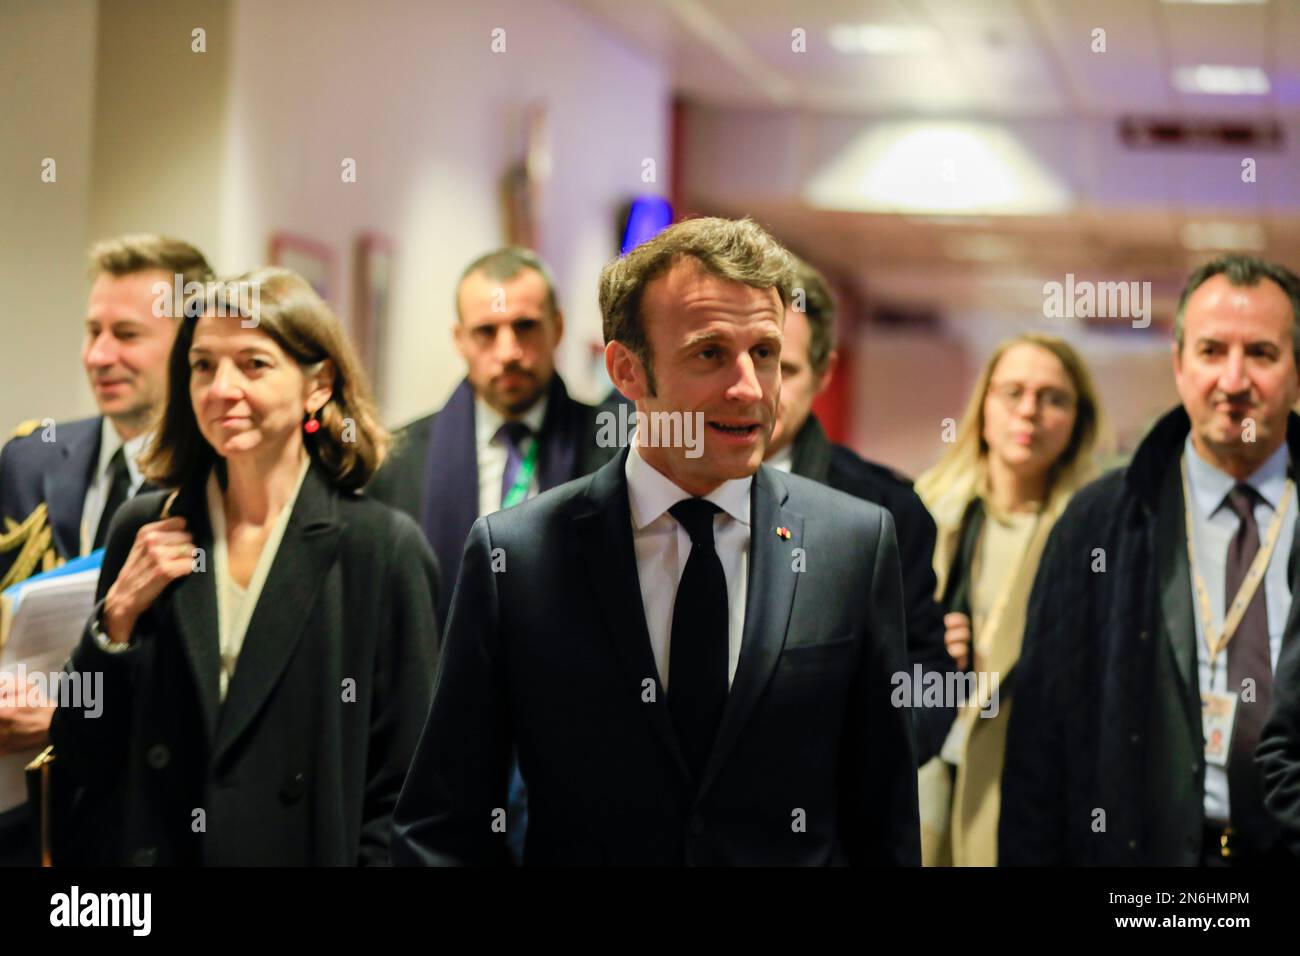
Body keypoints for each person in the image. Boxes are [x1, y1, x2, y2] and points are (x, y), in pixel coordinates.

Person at [392, 216, 919, 866]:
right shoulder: (519, 555)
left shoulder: (852, 544)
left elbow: (884, 822)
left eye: (765, 353)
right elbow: (444, 821)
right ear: (628, 371)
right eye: (710, 354)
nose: (750, 389)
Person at [49, 268, 439, 865]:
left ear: (318, 385)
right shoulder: (145, 527)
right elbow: (81, 746)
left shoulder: (381, 548)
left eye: (253, 364)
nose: (220, 388)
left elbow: (408, 783)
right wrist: (115, 623)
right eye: (203, 365)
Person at [1001, 255, 1300, 866]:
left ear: (1297, 370)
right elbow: (1040, 741)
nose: (1234, 379)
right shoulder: (1100, 522)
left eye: (1262, 354)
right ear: (1179, 363)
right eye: (1212, 351)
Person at [0, 234, 213, 866]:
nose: (99, 355)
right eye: (93, 331)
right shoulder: (28, 457)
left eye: (127, 334)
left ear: (190, 344)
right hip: (21, 811)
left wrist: (69, 718)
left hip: (148, 816)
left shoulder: (217, 485)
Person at [915, 333, 1102, 866]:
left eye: (1053, 398)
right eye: (1013, 392)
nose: (1030, 412)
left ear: (1078, 419)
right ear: (984, 405)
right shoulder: (927, 512)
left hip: (1022, 788)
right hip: (924, 772)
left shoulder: (1092, 536)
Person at [764, 258, 954, 765]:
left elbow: (927, 680)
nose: (762, 387)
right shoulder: (658, 483)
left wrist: (852, 765)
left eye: (785, 367)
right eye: (752, 357)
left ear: (824, 373)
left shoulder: (886, 509)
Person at [367, 247, 608, 628]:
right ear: (460, 340)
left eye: (525, 327)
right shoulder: (398, 459)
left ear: (557, 328)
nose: (508, 352)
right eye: (486, 332)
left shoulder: (613, 448)